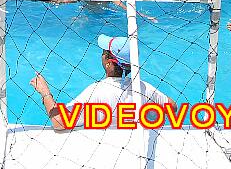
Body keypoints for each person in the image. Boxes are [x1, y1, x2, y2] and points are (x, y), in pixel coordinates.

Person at [30, 34, 177, 130]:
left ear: (108, 63)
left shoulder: (96, 91)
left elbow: (59, 122)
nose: (102, 55)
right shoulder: (143, 88)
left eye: (104, 53)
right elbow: (173, 106)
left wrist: (45, 92)